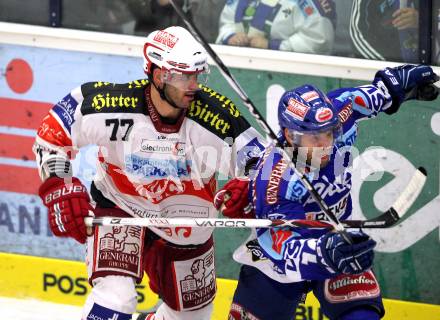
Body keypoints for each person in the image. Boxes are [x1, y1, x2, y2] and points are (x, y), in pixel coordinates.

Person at [33, 26, 265, 320]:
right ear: (158, 76)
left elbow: (265, 165)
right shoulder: (110, 104)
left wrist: (249, 188)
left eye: (196, 75)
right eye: (184, 76)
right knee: (115, 300)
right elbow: (53, 132)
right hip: (121, 208)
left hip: (187, 225)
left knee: (192, 316)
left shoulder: (218, 118)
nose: (193, 84)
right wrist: (59, 185)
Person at [214, 64, 439, 319]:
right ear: (290, 135)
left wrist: (397, 86)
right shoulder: (274, 178)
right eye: (315, 139)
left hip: (338, 237)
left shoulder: (337, 112)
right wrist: (322, 253)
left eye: (328, 134)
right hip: (282, 260)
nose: (326, 145)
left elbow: (379, 92)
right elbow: (280, 247)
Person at [216, 0, 336, 54]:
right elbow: (227, 21)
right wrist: (230, 36)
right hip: (237, 67)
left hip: (291, 74)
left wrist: (272, 45)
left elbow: (319, 40)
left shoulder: (312, 2)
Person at [350, 0, 419, 62]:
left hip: (421, 61)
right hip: (386, 59)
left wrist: (421, 19)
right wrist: (388, 66)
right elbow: (358, 34)